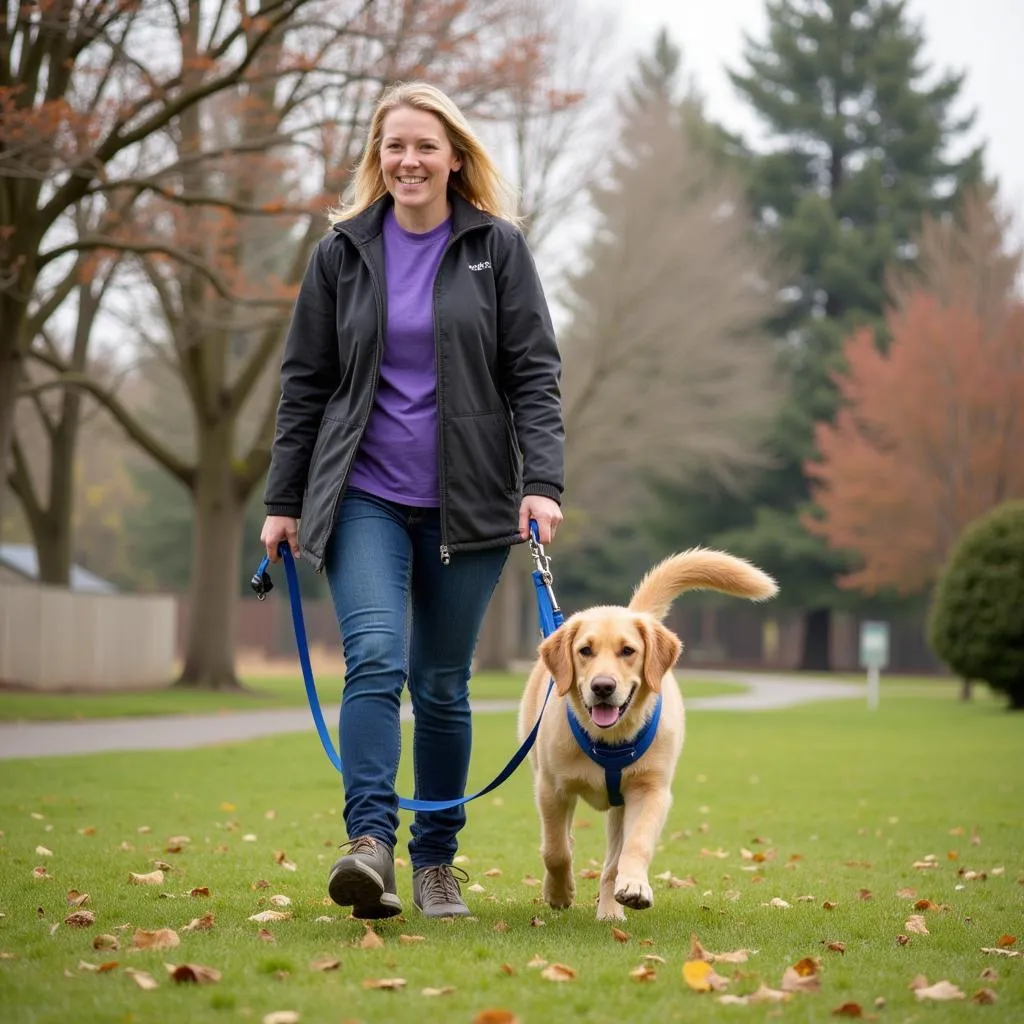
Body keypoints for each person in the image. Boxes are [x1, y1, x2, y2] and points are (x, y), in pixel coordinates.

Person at [260, 81, 565, 920]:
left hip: (468, 504)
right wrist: (284, 501)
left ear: (455, 156)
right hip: (362, 494)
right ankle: (369, 846)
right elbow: (306, 384)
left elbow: (534, 373)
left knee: (439, 684)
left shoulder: (497, 251)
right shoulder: (341, 254)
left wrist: (542, 483)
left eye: (425, 145)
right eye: (394, 145)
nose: (409, 160)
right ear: (377, 157)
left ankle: (435, 863)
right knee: (375, 660)